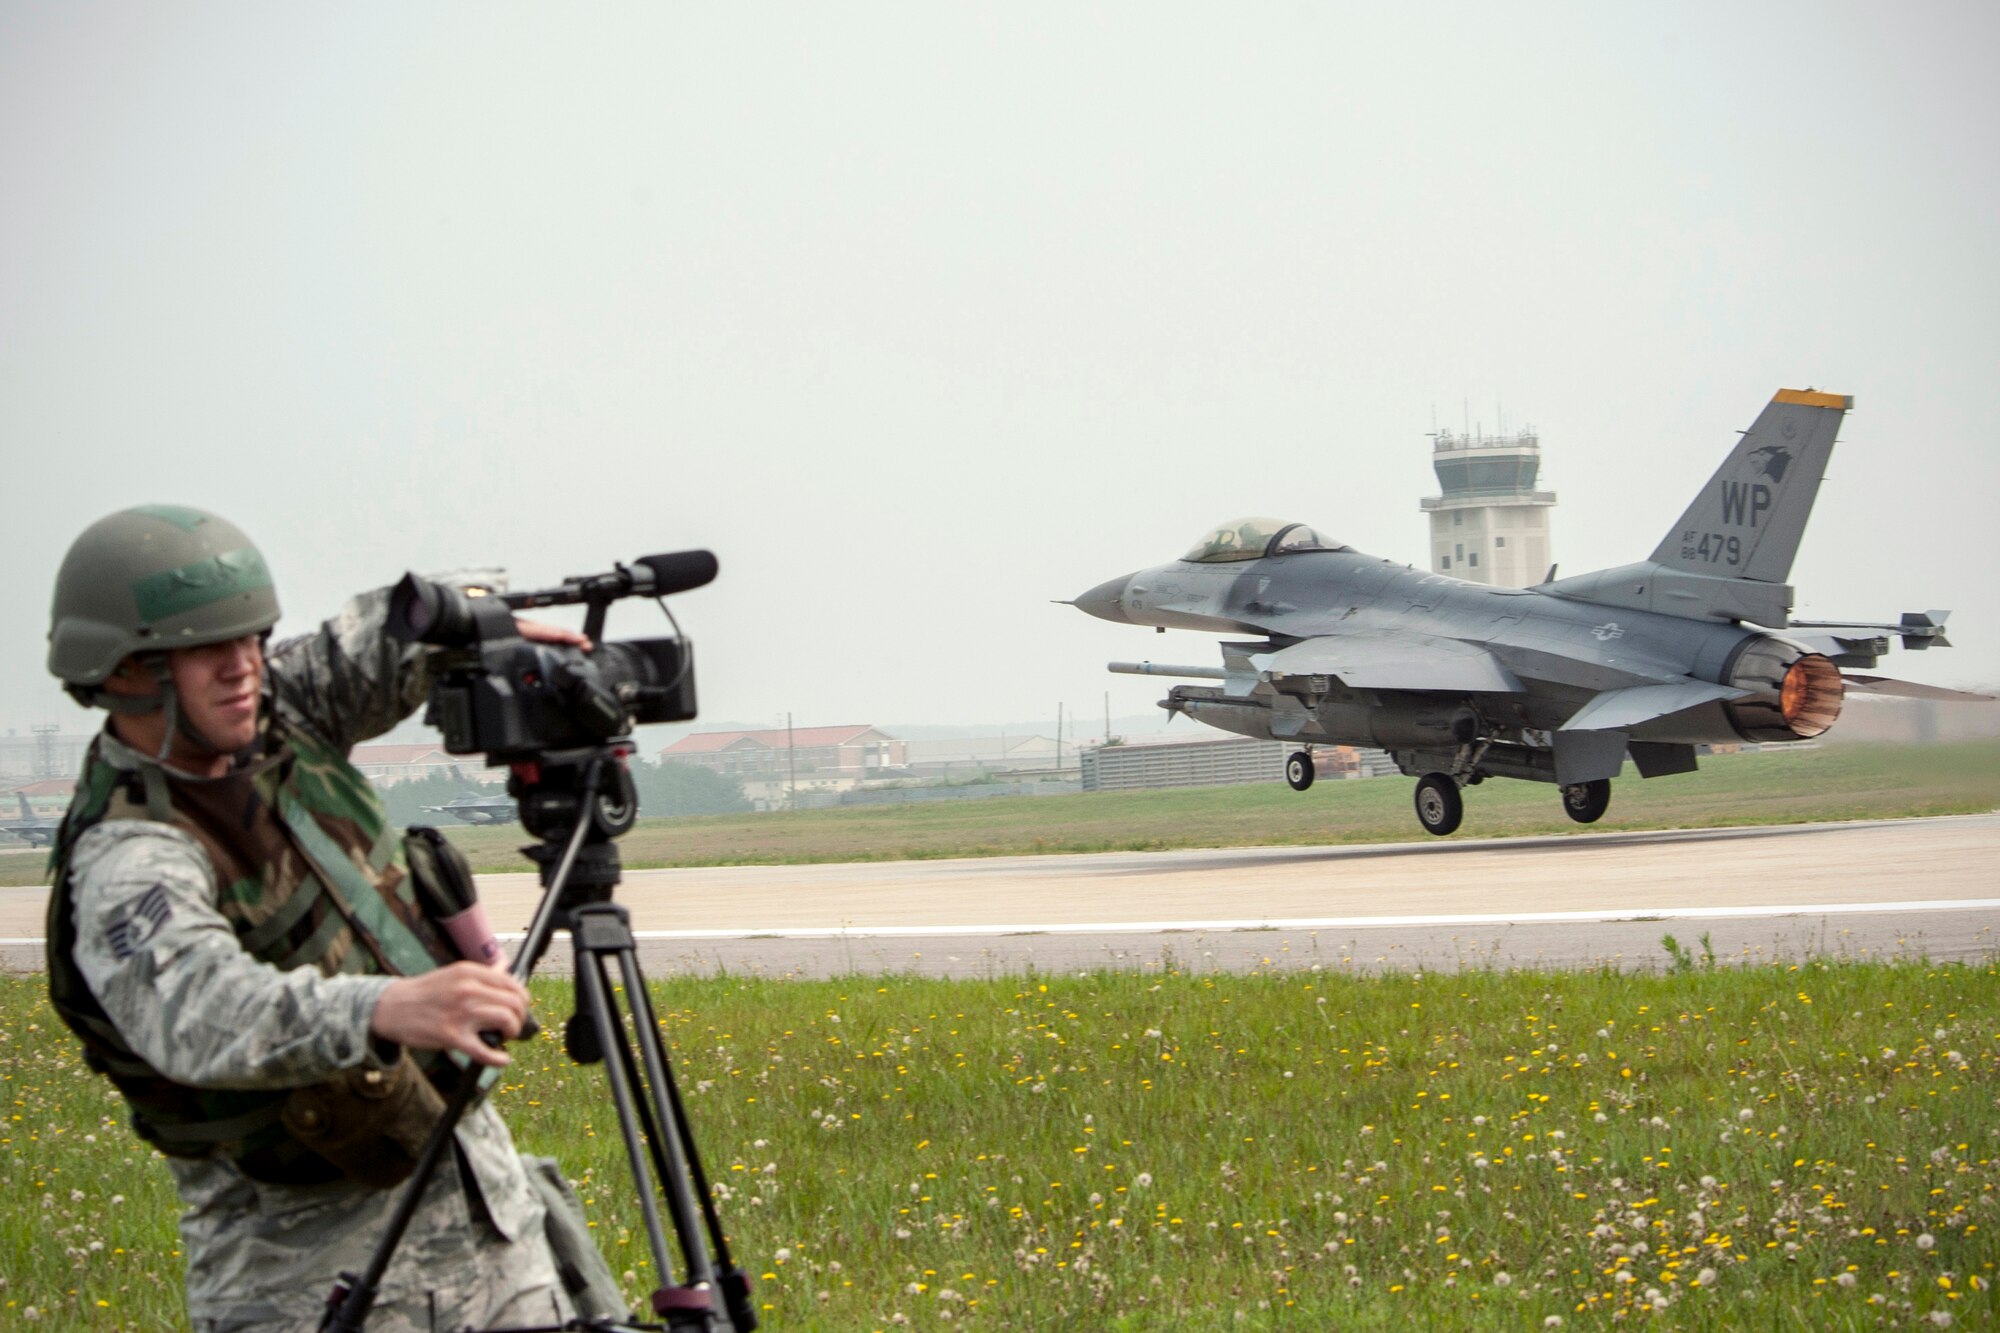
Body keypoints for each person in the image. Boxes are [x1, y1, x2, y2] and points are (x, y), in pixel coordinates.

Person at [43, 505, 615, 1331]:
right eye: (206, 649)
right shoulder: (130, 853)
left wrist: (477, 615)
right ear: (126, 669)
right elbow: (196, 1007)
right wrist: (384, 1007)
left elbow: (381, 634)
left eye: (252, 638)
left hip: (488, 1223)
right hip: (308, 1270)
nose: (243, 667)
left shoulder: (282, 717)